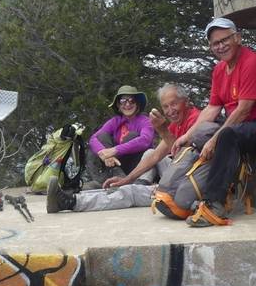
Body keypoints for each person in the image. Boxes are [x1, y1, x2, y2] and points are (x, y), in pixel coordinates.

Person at [172, 17, 256, 227]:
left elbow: (244, 110)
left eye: (224, 40)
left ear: (237, 37)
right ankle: (181, 193)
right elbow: (212, 109)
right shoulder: (220, 70)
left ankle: (214, 204)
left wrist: (214, 141)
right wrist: (187, 135)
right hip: (247, 126)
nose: (220, 46)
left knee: (226, 135)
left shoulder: (251, 62)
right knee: (204, 134)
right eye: (215, 44)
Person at [46, 83, 199, 213]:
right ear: (118, 105)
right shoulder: (118, 121)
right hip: (166, 174)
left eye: (174, 104)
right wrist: (123, 175)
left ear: (186, 101)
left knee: (130, 192)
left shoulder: (195, 120)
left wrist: (115, 151)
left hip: (190, 183)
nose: (170, 110)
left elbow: (176, 153)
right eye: (165, 106)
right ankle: (126, 183)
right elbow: (155, 157)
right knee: (148, 157)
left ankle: (71, 202)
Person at [82, 85, 155, 188]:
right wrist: (105, 154)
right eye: (123, 101)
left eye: (132, 100)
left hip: (137, 168)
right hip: (114, 167)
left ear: (137, 104)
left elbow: (145, 140)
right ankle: (110, 177)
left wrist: (115, 150)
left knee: (132, 136)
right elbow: (94, 139)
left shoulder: (145, 121)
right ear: (118, 105)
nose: (127, 104)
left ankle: (123, 180)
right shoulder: (115, 121)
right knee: (102, 137)